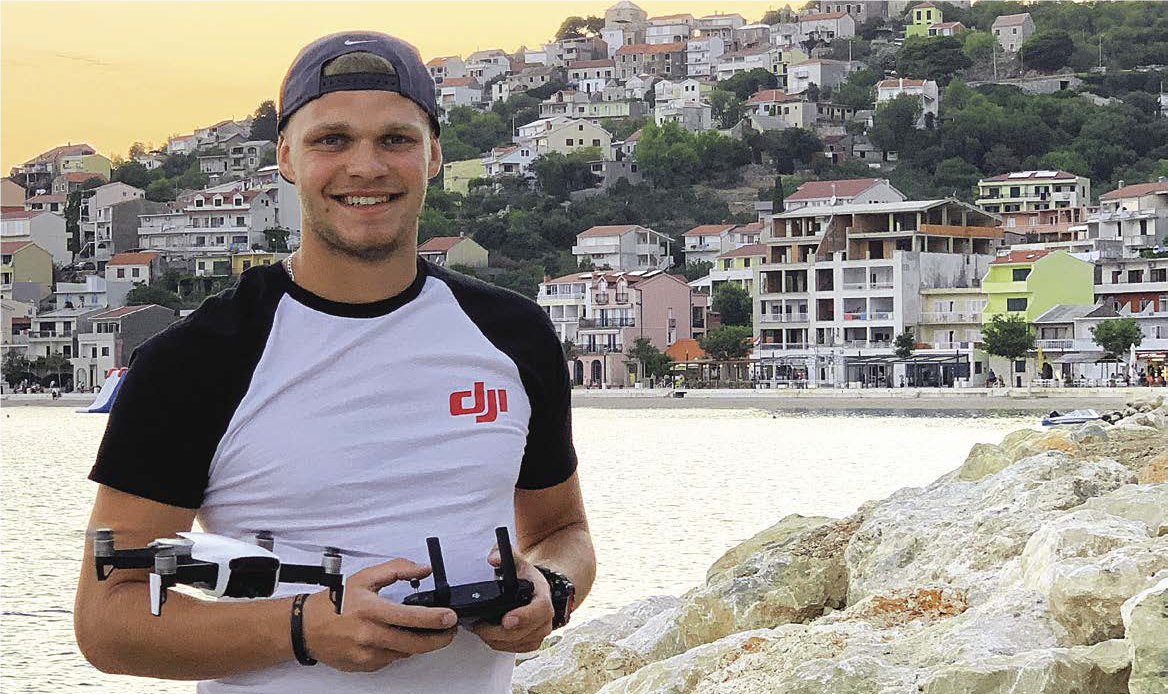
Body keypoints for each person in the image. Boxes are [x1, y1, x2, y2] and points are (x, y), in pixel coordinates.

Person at [74, 31, 594, 694]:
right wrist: (304, 629)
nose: (366, 167)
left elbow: (562, 530)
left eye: (396, 139)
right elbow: (107, 621)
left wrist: (550, 589)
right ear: (286, 156)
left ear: (434, 154)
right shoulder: (195, 360)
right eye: (332, 140)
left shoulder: (514, 335)